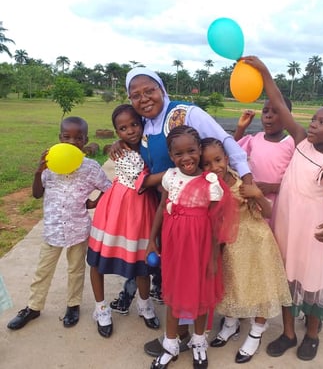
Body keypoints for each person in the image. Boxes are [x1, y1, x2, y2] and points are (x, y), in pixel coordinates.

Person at [110, 67, 253, 357]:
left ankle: (191, 333)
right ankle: (181, 333)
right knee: (178, 272)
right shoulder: (146, 124)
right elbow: (135, 143)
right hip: (171, 211)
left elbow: (224, 141)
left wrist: (247, 177)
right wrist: (121, 143)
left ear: (162, 88)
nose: (144, 98)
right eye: (135, 95)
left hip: (201, 210)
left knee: (201, 270)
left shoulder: (186, 113)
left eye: (149, 90)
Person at [242, 56, 323, 361]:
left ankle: (312, 334)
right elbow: (278, 102)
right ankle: (289, 333)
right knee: (286, 279)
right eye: (314, 119)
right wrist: (264, 73)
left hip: (315, 231)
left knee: (313, 284)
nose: (314, 125)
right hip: (286, 224)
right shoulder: (301, 140)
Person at [146, 125, 238, 369]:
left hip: (201, 248)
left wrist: (214, 257)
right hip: (175, 247)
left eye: (191, 151)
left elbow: (216, 224)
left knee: (201, 295)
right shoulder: (170, 177)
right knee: (174, 294)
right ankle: (170, 345)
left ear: (199, 150)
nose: (186, 158)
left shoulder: (211, 183)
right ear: (171, 155)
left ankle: (198, 342)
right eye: (178, 154)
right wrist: (151, 240)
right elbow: (161, 208)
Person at [7, 117, 111, 331]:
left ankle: (73, 305)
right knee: (43, 270)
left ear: (86, 140)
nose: (72, 142)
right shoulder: (49, 164)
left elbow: (108, 187)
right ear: (59, 138)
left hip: (78, 229)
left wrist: (93, 202)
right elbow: (37, 194)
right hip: (52, 229)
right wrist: (38, 172)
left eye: (78, 138)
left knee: (76, 269)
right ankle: (33, 307)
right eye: (67, 137)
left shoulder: (90, 167)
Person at [200, 138, 291, 364]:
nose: (214, 167)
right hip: (230, 245)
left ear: (228, 159)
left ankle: (256, 332)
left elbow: (269, 212)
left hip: (256, 242)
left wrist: (257, 194)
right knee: (231, 284)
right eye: (207, 163)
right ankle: (230, 324)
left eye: (218, 160)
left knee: (259, 286)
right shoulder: (206, 186)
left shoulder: (243, 182)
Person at [87, 105, 161, 338]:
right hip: (117, 210)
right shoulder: (120, 152)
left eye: (134, 125)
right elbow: (144, 181)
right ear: (117, 132)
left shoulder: (150, 144)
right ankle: (101, 309)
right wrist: (172, 174)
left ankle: (144, 304)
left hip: (142, 211)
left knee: (142, 262)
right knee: (98, 261)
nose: (130, 131)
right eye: (123, 128)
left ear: (142, 124)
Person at [233, 97, 294, 228]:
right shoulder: (255, 139)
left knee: (276, 235)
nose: (268, 115)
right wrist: (241, 128)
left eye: (275, 112)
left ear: (287, 117)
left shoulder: (292, 144)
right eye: (265, 111)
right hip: (254, 200)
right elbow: (234, 151)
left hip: (280, 201)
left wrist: (273, 188)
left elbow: (298, 179)